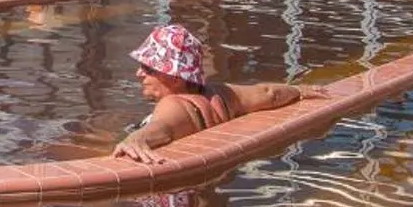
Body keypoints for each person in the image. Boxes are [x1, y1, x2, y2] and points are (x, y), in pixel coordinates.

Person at [111, 24, 314, 164]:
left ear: (174, 77)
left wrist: (137, 138)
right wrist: (297, 91)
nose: (139, 73)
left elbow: (163, 128)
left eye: (148, 68)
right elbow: (269, 93)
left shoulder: (173, 104)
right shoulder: (221, 94)